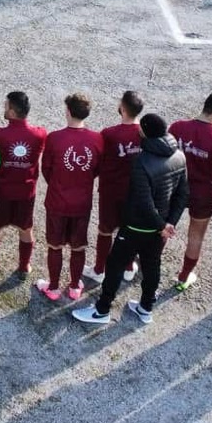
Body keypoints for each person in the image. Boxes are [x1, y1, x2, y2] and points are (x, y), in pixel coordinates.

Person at [74, 113, 187, 327]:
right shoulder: (180, 156)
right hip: (159, 227)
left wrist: (163, 225)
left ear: (145, 131)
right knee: (152, 265)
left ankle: (102, 310)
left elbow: (144, 201)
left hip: (137, 225)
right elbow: (183, 193)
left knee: (115, 264)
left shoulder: (141, 161)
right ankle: (145, 308)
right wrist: (169, 222)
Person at [37, 93, 101, 301]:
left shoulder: (54, 138)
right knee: (79, 245)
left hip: (57, 201)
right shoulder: (97, 139)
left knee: (54, 245)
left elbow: (46, 168)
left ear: (67, 111)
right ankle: (74, 286)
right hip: (82, 203)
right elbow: (96, 168)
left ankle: (54, 287)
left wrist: (59, 182)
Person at [170, 92, 212, 291]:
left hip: (176, 187)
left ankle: (149, 263)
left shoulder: (178, 127)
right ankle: (184, 276)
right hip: (203, 193)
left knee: (164, 226)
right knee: (196, 235)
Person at [0, 91, 46, 279]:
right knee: (26, 229)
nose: (4, 108)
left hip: (1, 191)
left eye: (6, 106)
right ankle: (24, 266)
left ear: (12, 111)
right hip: (26, 192)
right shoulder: (40, 134)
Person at [92, 91, 145, 284]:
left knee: (105, 230)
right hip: (136, 192)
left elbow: (98, 160)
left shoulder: (109, 134)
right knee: (129, 230)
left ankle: (100, 269)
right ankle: (128, 266)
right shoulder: (144, 134)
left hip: (111, 190)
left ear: (122, 108)